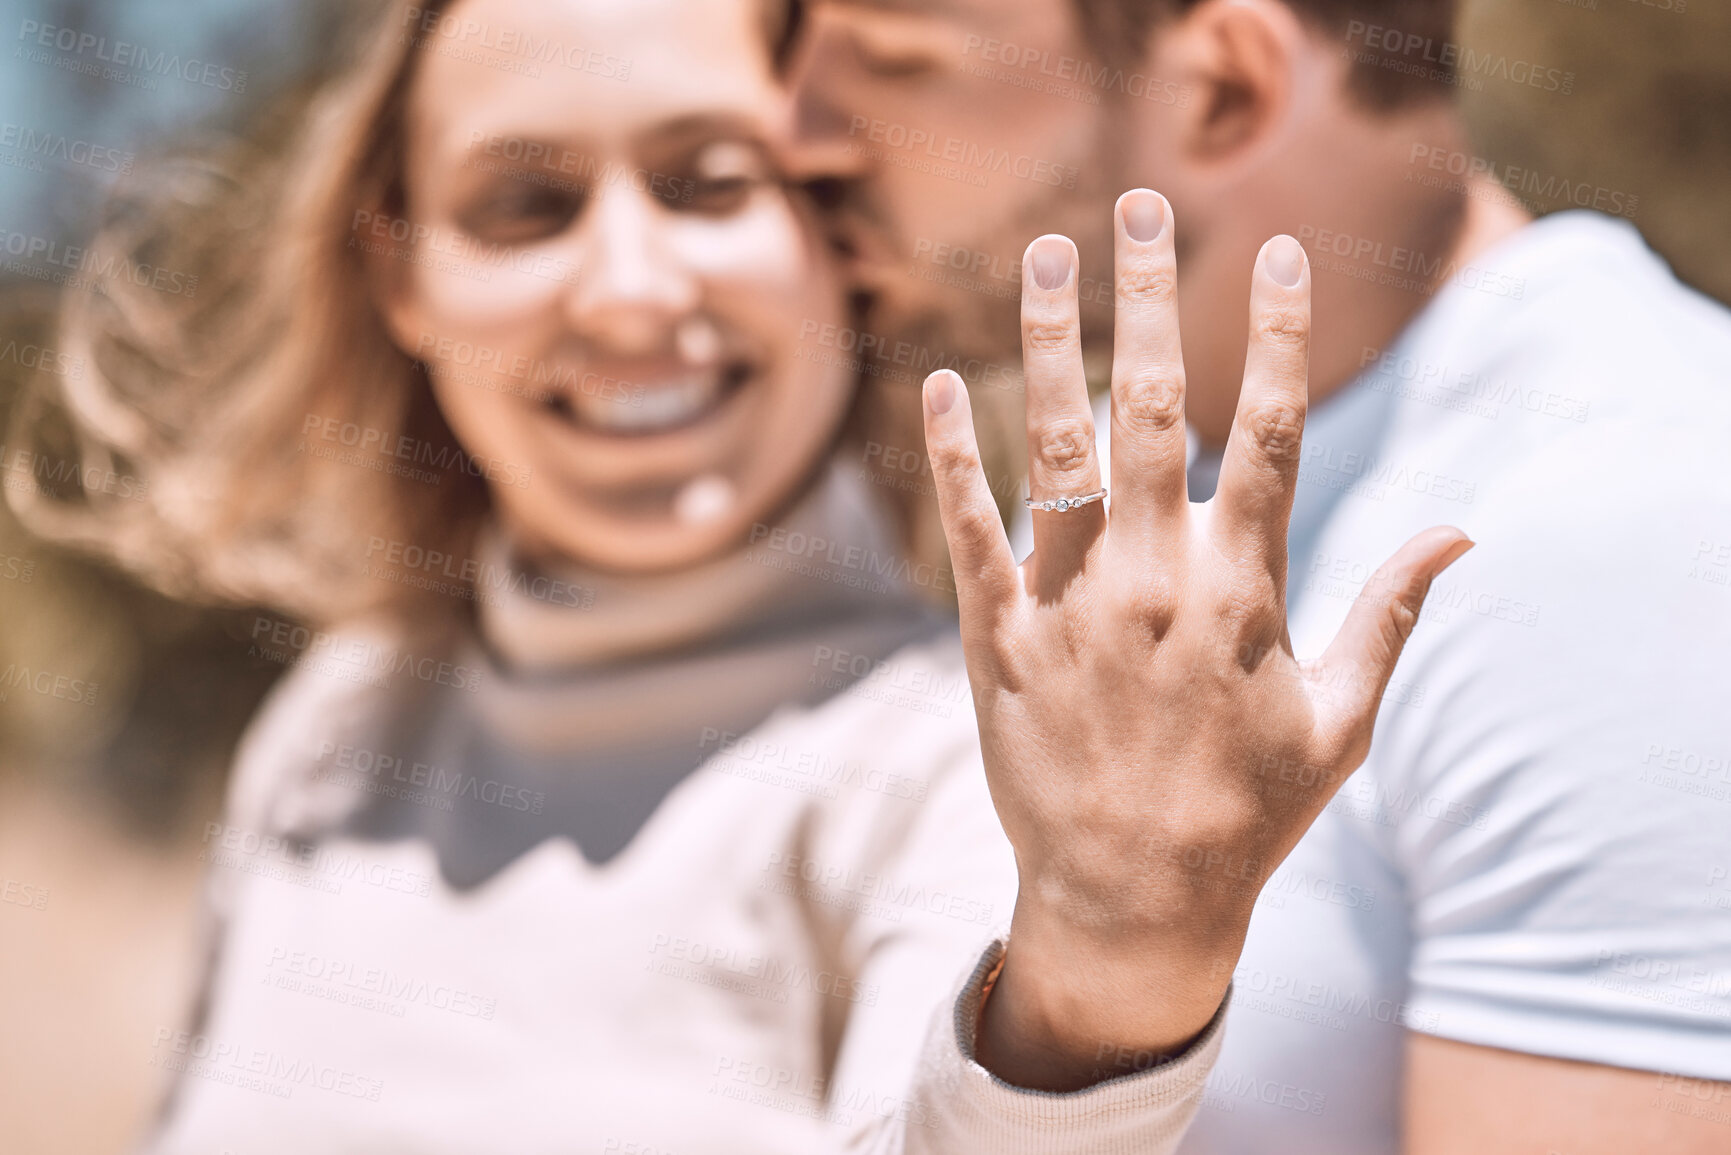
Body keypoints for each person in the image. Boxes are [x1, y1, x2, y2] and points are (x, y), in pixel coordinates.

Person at [12, 0, 1477, 1149]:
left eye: (710, 182)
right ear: (402, 276)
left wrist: (1104, 974)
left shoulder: (960, 750)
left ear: (843, 243)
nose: (631, 289)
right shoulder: (343, 718)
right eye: (524, 205)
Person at [790, 0, 1731, 1151]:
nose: (798, 133)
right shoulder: (1132, 478)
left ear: (1223, 87)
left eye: (893, 61)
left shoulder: (1631, 538)